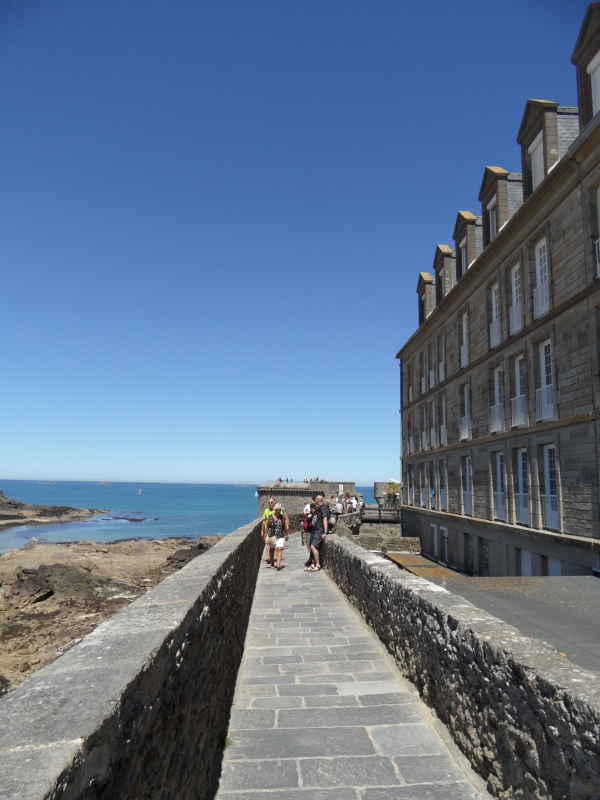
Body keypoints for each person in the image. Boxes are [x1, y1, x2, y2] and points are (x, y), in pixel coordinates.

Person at [306, 494, 329, 572]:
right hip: (318, 531)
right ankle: (314, 564)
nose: (314, 501)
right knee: (317, 547)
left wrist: (325, 532)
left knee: (313, 546)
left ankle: (318, 565)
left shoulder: (323, 508)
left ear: (318, 500)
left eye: (315, 500)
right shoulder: (320, 508)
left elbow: (325, 519)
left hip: (320, 531)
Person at [265, 503, 289, 570]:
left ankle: (278, 565)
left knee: (279, 548)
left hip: (280, 535)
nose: (278, 511)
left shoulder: (282, 518)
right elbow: (267, 527)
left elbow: (284, 527)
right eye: (277, 510)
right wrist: (265, 535)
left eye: (279, 510)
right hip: (272, 535)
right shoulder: (270, 517)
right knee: (272, 550)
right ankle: (272, 563)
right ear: (274, 510)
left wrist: (286, 535)